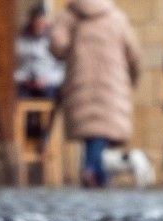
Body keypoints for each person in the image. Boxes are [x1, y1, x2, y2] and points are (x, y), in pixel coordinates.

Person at [50, 0, 142, 188]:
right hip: (112, 83)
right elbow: (134, 53)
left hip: (80, 81)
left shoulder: (69, 16)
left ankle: (95, 173)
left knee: (91, 130)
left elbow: (57, 45)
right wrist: (133, 78)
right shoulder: (117, 17)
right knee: (99, 131)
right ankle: (92, 170)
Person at [15, 8, 66, 100]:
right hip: (25, 83)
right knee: (19, 97)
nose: (40, 25)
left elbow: (62, 70)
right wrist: (25, 79)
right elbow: (13, 68)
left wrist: (47, 80)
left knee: (51, 97)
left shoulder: (55, 41)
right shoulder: (20, 40)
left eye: (43, 22)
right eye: (37, 22)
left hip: (49, 84)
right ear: (32, 22)